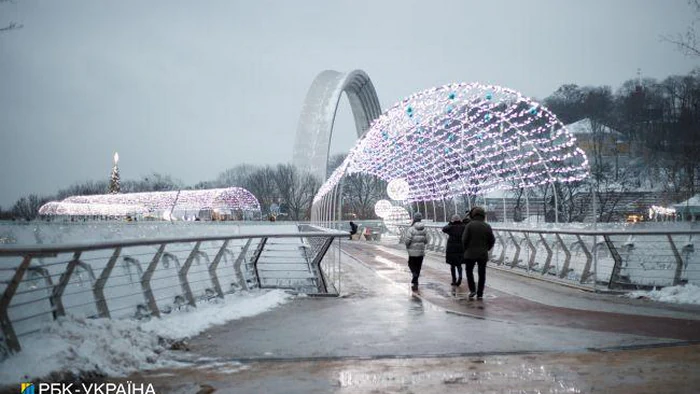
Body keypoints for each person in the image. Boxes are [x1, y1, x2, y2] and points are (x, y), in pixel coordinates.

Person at [461, 206, 495, 300]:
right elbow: (492, 240)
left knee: (469, 271)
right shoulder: (487, 226)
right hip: (482, 254)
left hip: (470, 253)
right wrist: (487, 248)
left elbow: (464, 239)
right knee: (482, 273)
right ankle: (480, 292)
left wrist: (466, 249)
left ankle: (472, 290)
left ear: (473, 215)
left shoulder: (469, 225)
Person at [405, 212, 428, 291]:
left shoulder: (411, 229)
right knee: (418, 266)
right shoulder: (424, 229)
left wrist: (407, 246)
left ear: (414, 219)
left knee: (410, 264)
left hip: (412, 251)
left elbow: (408, 240)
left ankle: (414, 275)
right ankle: (416, 280)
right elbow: (426, 240)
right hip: (421, 251)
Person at [442, 214, 466, 286]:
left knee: (452, 266)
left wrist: (450, 223)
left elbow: (444, 229)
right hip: (460, 248)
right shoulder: (463, 227)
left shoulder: (450, 227)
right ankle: (460, 277)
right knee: (459, 265)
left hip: (451, 249)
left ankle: (454, 280)